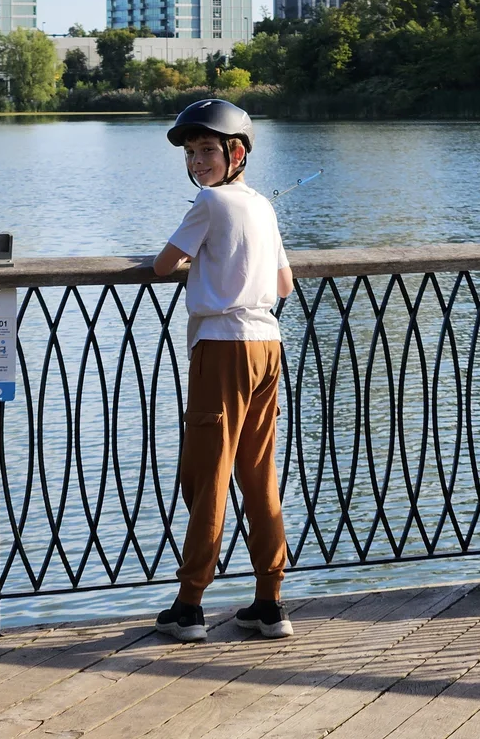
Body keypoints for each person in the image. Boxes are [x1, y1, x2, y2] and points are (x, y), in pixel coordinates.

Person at [151, 99, 294, 642]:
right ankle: (270, 601)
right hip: (267, 346)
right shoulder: (262, 205)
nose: (197, 162)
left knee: (209, 474)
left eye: (207, 150)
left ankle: (189, 606)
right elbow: (283, 285)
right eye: (191, 153)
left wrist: (197, 258)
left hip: (222, 348)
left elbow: (165, 264)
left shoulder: (209, 203)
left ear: (236, 152)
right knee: (259, 475)